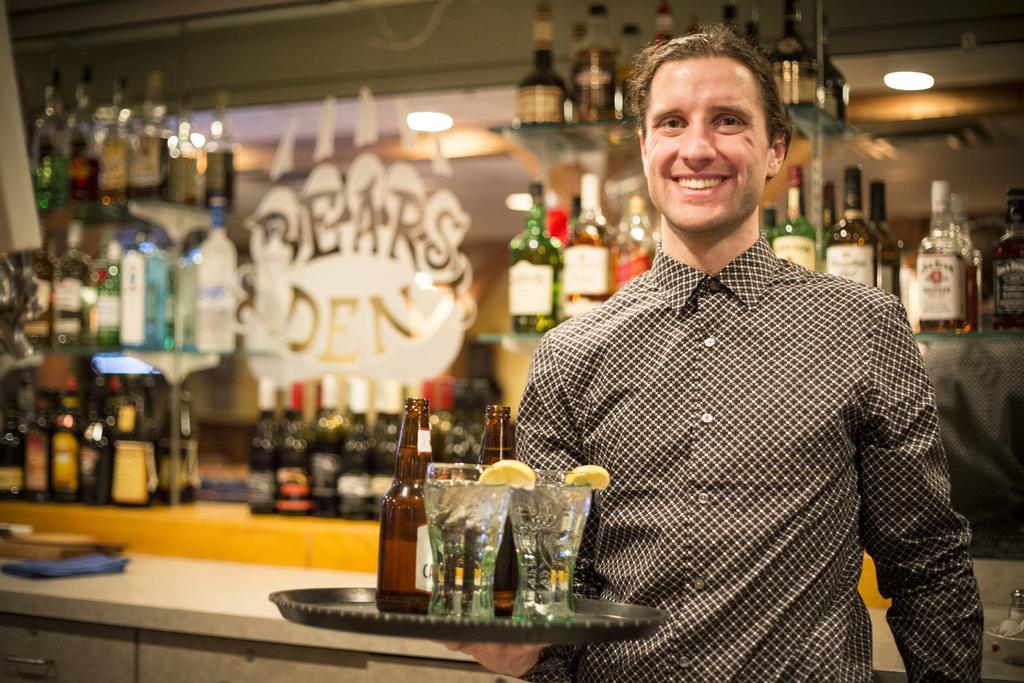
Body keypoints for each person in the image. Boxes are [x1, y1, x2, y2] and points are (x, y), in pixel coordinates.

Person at [446, 24, 983, 681]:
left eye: (728, 121)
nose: (696, 148)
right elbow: (554, 587)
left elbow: (926, 559)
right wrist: (522, 649)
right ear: (644, 147)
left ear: (774, 149)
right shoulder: (569, 353)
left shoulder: (862, 325)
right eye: (671, 123)